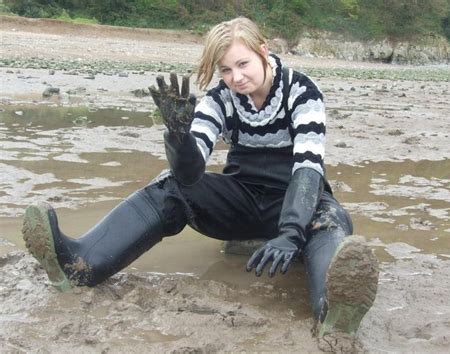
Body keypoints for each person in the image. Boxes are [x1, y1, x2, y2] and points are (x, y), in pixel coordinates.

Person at [22, 17, 378, 340]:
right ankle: (82, 264)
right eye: (226, 70)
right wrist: (178, 138)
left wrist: (290, 232)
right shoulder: (219, 99)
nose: (236, 77)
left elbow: (308, 166)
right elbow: (191, 174)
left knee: (330, 223)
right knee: (171, 186)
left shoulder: (302, 90)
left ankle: (334, 311)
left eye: (243, 64)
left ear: (263, 52)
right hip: (241, 201)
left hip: (299, 203)